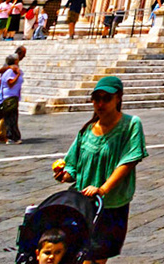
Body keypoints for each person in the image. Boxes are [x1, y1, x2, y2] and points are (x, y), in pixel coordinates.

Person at [53, 75, 149, 262]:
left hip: (111, 204)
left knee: (97, 257)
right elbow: (73, 165)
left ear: (118, 98)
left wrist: (103, 189)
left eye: (106, 98)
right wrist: (63, 175)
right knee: (81, 255)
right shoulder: (87, 130)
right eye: (97, 98)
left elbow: (128, 162)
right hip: (83, 204)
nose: (100, 103)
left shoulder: (130, 125)